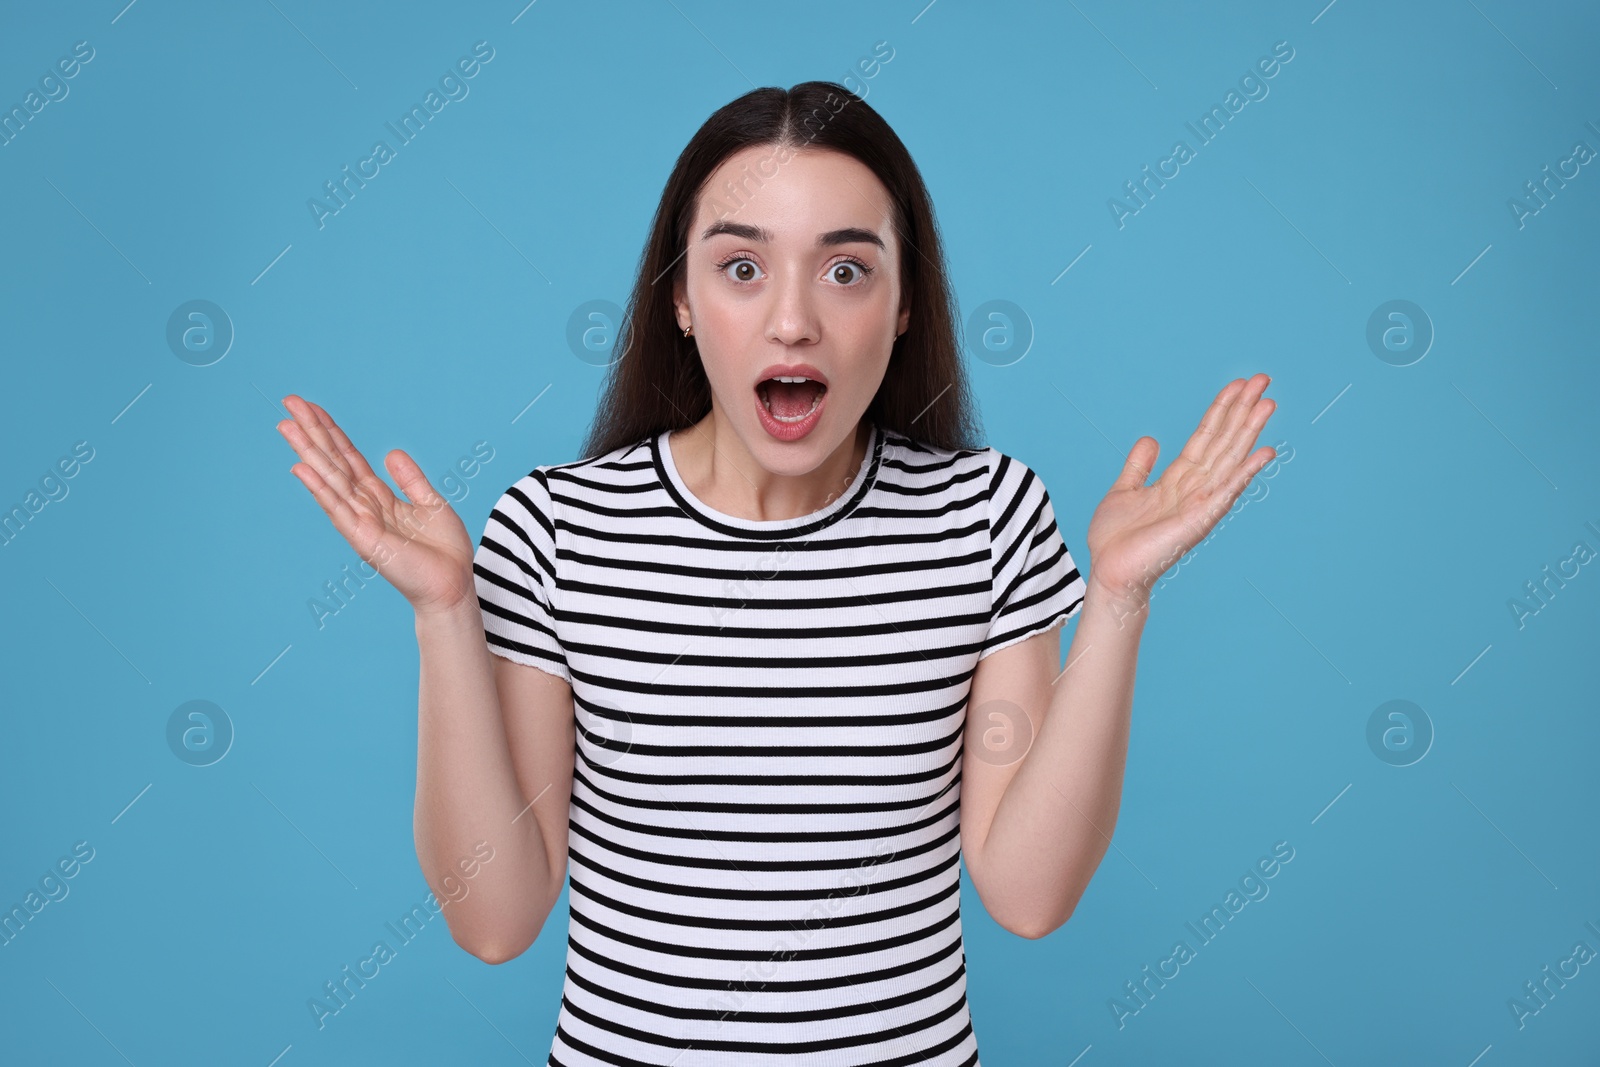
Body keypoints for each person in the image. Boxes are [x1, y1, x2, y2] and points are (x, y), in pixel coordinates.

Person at [277, 80, 1275, 1066]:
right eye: (741, 267)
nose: (793, 320)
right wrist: (446, 613)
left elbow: (1028, 893)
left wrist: (1117, 599)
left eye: (846, 271)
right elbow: (493, 920)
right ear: (678, 296)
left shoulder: (984, 517)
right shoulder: (558, 528)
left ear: (902, 304)